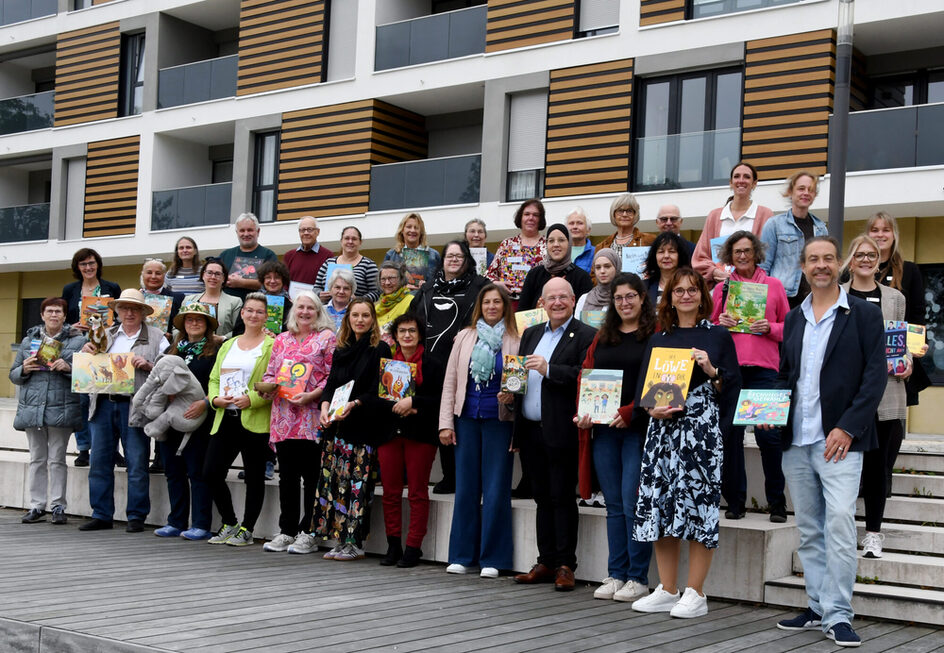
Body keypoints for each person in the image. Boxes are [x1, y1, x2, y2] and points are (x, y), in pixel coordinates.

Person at [771, 237, 884, 648]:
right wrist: (768, 415)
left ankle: (838, 614)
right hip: (796, 442)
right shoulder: (796, 319)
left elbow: (874, 379)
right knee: (809, 530)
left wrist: (848, 427)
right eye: (813, 259)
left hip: (840, 442)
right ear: (803, 267)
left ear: (841, 264)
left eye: (828, 258)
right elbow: (788, 377)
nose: (821, 265)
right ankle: (817, 605)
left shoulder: (864, 316)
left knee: (838, 525)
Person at [631, 268, 740, 618]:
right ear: (670, 298)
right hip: (663, 432)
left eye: (693, 290)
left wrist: (712, 371)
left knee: (698, 505)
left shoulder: (719, 336)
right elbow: (642, 394)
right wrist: (653, 409)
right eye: (679, 291)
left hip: (701, 431)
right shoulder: (659, 338)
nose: (686, 296)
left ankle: (696, 592)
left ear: (703, 296)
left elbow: (733, 387)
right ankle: (667, 588)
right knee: (662, 503)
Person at [575, 273, 656, 603]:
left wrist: (631, 411)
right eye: (619, 298)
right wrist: (584, 413)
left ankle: (639, 577)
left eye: (630, 296)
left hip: (638, 430)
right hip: (604, 432)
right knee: (614, 506)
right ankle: (617, 573)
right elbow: (588, 377)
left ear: (641, 298)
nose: (624, 303)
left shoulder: (654, 336)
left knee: (634, 503)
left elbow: (659, 384)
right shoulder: (603, 337)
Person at [512, 278, 596, 591]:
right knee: (542, 498)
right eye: (551, 298)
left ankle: (565, 565)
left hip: (561, 430)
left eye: (563, 297)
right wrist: (511, 392)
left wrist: (550, 370)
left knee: (562, 497)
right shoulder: (531, 333)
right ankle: (545, 560)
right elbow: (520, 374)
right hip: (531, 429)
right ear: (542, 303)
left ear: (573, 301)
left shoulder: (587, 335)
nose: (557, 302)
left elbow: (585, 376)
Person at [439, 285, 519, 578]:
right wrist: (445, 423)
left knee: (497, 491)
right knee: (466, 489)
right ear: (479, 306)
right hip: (467, 420)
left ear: (506, 306)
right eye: (487, 302)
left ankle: (493, 559)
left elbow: (519, 383)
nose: (492, 306)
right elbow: (450, 381)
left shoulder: (516, 339)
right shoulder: (464, 336)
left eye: (498, 301)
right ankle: (462, 555)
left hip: (500, 422)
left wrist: (512, 398)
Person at [710, 231, 790, 522]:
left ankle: (777, 503)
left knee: (769, 436)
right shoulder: (722, 289)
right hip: (731, 370)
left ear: (757, 253)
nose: (742, 256)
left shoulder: (774, 285)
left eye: (747, 251)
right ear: (729, 257)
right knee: (730, 438)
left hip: (766, 370)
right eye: (736, 252)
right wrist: (721, 321)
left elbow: (788, 328)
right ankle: (735, 502)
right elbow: (710, 328)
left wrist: (769, 327)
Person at [841, 235, 911, 559]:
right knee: (845, 468)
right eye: (860, 254)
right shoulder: (837, 296)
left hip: (887, 393)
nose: (867, 259)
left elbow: (901, 339)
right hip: (847, 395)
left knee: (878, 469)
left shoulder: (894, 297)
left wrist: (907, 360)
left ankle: (873, 534)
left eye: (872, 255)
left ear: (880, 260)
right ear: (851, 260)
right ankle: (840, 531)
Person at [79, 289, 170, 533]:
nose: (129, 313)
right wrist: (87, 355)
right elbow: (87, 371)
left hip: (136, 406)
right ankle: (101, 514)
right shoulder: (103, 335)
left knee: (137, 462)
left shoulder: (158, 336)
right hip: (103, 404)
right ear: (117, 311)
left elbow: (169, 373)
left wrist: (150, 365)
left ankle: (136, 516)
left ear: (143, 312)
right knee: (99, 462)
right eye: (124, 308)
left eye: (135, 309)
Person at [260, 291, 337, 554]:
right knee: (288, 477)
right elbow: (272, 371)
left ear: (318, 312)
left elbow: (331, 375)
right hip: (283, 417)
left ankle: (309, 532)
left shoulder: (326, 338)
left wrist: (313, 394)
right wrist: (267, 387)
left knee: (312, 476)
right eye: (301, 307)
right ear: (294, 311)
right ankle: (287, 530)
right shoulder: (281, 339)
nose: (305, 312)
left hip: (312, 415)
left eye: (310, 308)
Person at [411, 240, 489, 494]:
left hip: (465, 364)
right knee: (439, 418)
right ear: (442, 260)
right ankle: (448, 476)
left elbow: (489, 317)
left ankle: (463, 476)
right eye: (449, 256)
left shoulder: (480, 287)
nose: (454, 260)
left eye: (459, 256)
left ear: (467, 260)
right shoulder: (428, 288)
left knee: (459, 420)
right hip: (431, 363)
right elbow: (415, 319)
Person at [317, 299, 391, 561]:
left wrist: (355, 403)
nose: (360, 320)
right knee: (337, 486)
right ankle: (339, 540)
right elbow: (331, 384)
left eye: (366, 315)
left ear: (373, 319)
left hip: (362, 427)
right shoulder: (341, 349)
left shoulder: (380, 348)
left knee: (357, 488)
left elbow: (380, 392)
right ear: (348, 319)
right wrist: (325, 406)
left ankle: (355, 542)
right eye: (355, 315)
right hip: (337, 428)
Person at [204, 293, 274, 547]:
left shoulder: (271, 346)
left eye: (259, 311)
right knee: (210, 472)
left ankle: (247, 528)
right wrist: (214, 400)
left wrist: (252, 399)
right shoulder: (228, 344)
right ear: (242, 313)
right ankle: (229, 521)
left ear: (266, 316)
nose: (254, 315)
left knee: (254, 477)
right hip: (226, 417)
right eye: (249, 310)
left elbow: (275, 383)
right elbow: (213, 379)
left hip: (253, 418)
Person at [10, 298, 85, 525]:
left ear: (64, 316)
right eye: (49, 311)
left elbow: (86, 376)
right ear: (42, 315)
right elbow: (13, 374)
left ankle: (58, 506)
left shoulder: (79, 341)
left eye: (58, 311)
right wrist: (23, 369)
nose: (53, 315)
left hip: (61, 407)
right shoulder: (28, 340)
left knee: (57, 459)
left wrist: (69, 368)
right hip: (33, 407)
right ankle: (36, 505)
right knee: (37, 459)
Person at [153, 303, 222, 540]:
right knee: (173, 471)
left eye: (199, 320)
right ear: (183, 324)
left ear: (207, 325)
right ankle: (176, 521)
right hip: (170, 417)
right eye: (190, 319)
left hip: (199, 417)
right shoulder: (173, 350)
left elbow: (219, 382)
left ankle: (201, 524)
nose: (194, 323)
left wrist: (205, 401)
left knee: (197, 471)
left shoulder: (216, 351)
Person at [376, 313, 440, 568]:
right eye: (402, 331)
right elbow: (377, 398)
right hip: (390, 433)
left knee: (417, 492)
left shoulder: (433, 363)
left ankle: (413, 547)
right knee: (390, 492)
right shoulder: (387, 362)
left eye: (412, 330)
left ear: (419, 334)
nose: (407, 335)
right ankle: (393, 546)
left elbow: (440, 400)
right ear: (395, 335)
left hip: (420, 434)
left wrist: (415, 404)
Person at [61, 247, 121, 468]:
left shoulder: (111, 287)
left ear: (98, 264)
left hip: (107, 348)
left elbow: (121, 315)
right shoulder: (70, 289)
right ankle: (84, 449)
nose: (88, 267)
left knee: (108, 398)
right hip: (82, 348)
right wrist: (71, 326)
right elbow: (63, 319)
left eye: (91, 263)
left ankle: (112, 450)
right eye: (83, 264)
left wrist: (113, 323)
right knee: (83, 401)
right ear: (77, 267)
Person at [867, 211, 930, 407]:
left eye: (886, 230)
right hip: (864, 354)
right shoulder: (856, 271)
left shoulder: (909, 270)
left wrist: (918, 344)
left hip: (897, 359)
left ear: (894, 234)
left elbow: (917, 313)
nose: (880, 235)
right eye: (875, 230)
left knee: (891, 426)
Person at [693, 162, 773, 284]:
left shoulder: (765, 215)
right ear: (731, 182)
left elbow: (768, 256)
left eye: (746, 177)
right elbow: (700, 257)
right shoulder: (714, 216)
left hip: (751, 288)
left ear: (754, 183)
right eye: (736, 176)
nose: (741, 180)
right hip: (719, 287)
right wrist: (714, 272)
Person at [759, 171, 827, 308]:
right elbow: (763, 267)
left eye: (811, 190)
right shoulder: (774, 225)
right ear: (791, 191)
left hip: (813, 299)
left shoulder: (821, 228)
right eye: (801, 188)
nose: (806, 193)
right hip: (782, 299)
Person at [517, 223, 593, 312]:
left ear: (569, 243)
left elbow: (584, 314)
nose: (556, 244)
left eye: (561, 240)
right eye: (551, 241)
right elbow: (522, 312)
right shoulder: (534, 275)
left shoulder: (581, 277)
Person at [485, 199, 547, 301]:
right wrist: (497, 284)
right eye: (527, 214)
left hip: (537, 304)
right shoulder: (507, 244)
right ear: (520, 217)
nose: (531, 218)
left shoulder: (548, 245)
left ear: (540, 219)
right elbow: (488, 275)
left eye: (535, 215)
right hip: (508, 303)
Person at [218, 212, 278, 301]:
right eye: (242, 230)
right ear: (237, 232)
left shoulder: (268, 255)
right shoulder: (225, 255)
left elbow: (273, 284)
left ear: (258, 231)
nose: (246, 234)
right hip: (229, 309)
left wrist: (241, 282)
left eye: (250, 230)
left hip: (257, 309)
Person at [314, 225, 380, 302]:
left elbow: (377, 292)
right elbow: (316, 287)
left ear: (360, 242)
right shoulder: (328, 263)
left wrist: (359, 300)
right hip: (327, 310)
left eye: (354, 239)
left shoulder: (368, 265)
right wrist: (319, 294)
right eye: (347, 238)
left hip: (355, 311)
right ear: (341, 241)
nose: (350, 242)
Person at [183, 258, 243, 338]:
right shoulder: (189, 300)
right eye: (209, 273)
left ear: (223, 278)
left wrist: (222, 339)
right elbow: (177, 328)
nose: (213, 277)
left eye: (218, 274)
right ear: (203, 275)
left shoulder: (235, 302)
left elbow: (239, 330)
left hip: (222, 347)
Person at [232, 259, 293, 336]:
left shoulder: (290, 306)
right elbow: (237, 331)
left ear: (283, 280)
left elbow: (293, 334)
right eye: (268, 277)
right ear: (263, 280)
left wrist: (277, 337)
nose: (272, 281)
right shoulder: (251, 301)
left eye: (277, 277)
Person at [383, 213, 442, 291]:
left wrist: (427, 285)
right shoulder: (391, 255)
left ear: (421, 231)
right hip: (400, 301)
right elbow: (383, 284)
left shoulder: (434, 255)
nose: (412, 230)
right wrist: (403, 288)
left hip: (425, 300)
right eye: (409, 227)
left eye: (416, 227)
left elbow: (441, 282)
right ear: (402, 230)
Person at [594, 193, 655, 257]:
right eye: (620, 211)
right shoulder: (601, 247)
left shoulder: (649, 240)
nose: (624, 214)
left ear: (635, 214)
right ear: (613, 214)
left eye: (629, 211)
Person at [643, 232, 692, 306]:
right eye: (661, 252)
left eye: (671, 251)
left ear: (680, 256)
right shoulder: (644, 286)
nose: (666, 256)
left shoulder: (691, 284)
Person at [284, 216, 333, 286]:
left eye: (310, 229)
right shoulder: (289, 256)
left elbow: (329, 283)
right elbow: (284, 283)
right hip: (292, 297)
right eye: (303, 230)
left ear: (318, 232)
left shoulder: (328, 256)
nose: (306, 233)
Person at [375, 262, 415, 343]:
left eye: (391, 278)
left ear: (401, 279)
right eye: (383, 279)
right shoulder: (377, 307)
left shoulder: (411, 301)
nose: (387, 283)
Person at [575, 249, 621, 317]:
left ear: (616, 267)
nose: (602, 271)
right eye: (598, 267)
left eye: (607, 266)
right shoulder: (585, 299)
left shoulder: (623, 299)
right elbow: (577, 326)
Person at [325, 267, 356, 331]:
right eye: (337, 287)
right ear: (330, 289)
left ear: (352, 291)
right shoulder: (320, 311)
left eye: (346, 288)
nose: (341, 291)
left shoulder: (358, 312)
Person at [566, 207, 595, 274]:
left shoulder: (596, 253)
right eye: (571, 223)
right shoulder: (559, 252)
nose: (575, 227)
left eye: (580, 223)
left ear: (588, 229)